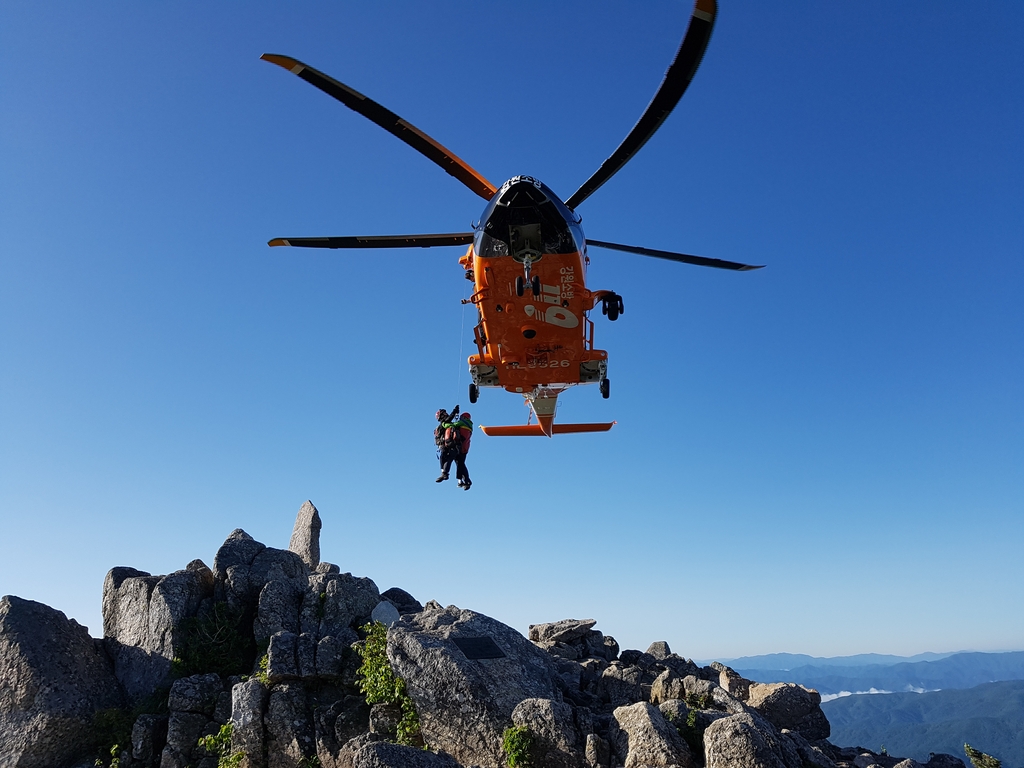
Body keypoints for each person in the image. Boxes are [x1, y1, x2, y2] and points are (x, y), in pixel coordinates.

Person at [435, 408, 473, 490]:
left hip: (453, 446)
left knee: (448, 459)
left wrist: (454, 412)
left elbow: (449, 424)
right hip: (463, 447)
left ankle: (445, 473)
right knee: (460, 464)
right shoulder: (469, 426)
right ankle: (465, 481)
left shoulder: (457, 423)